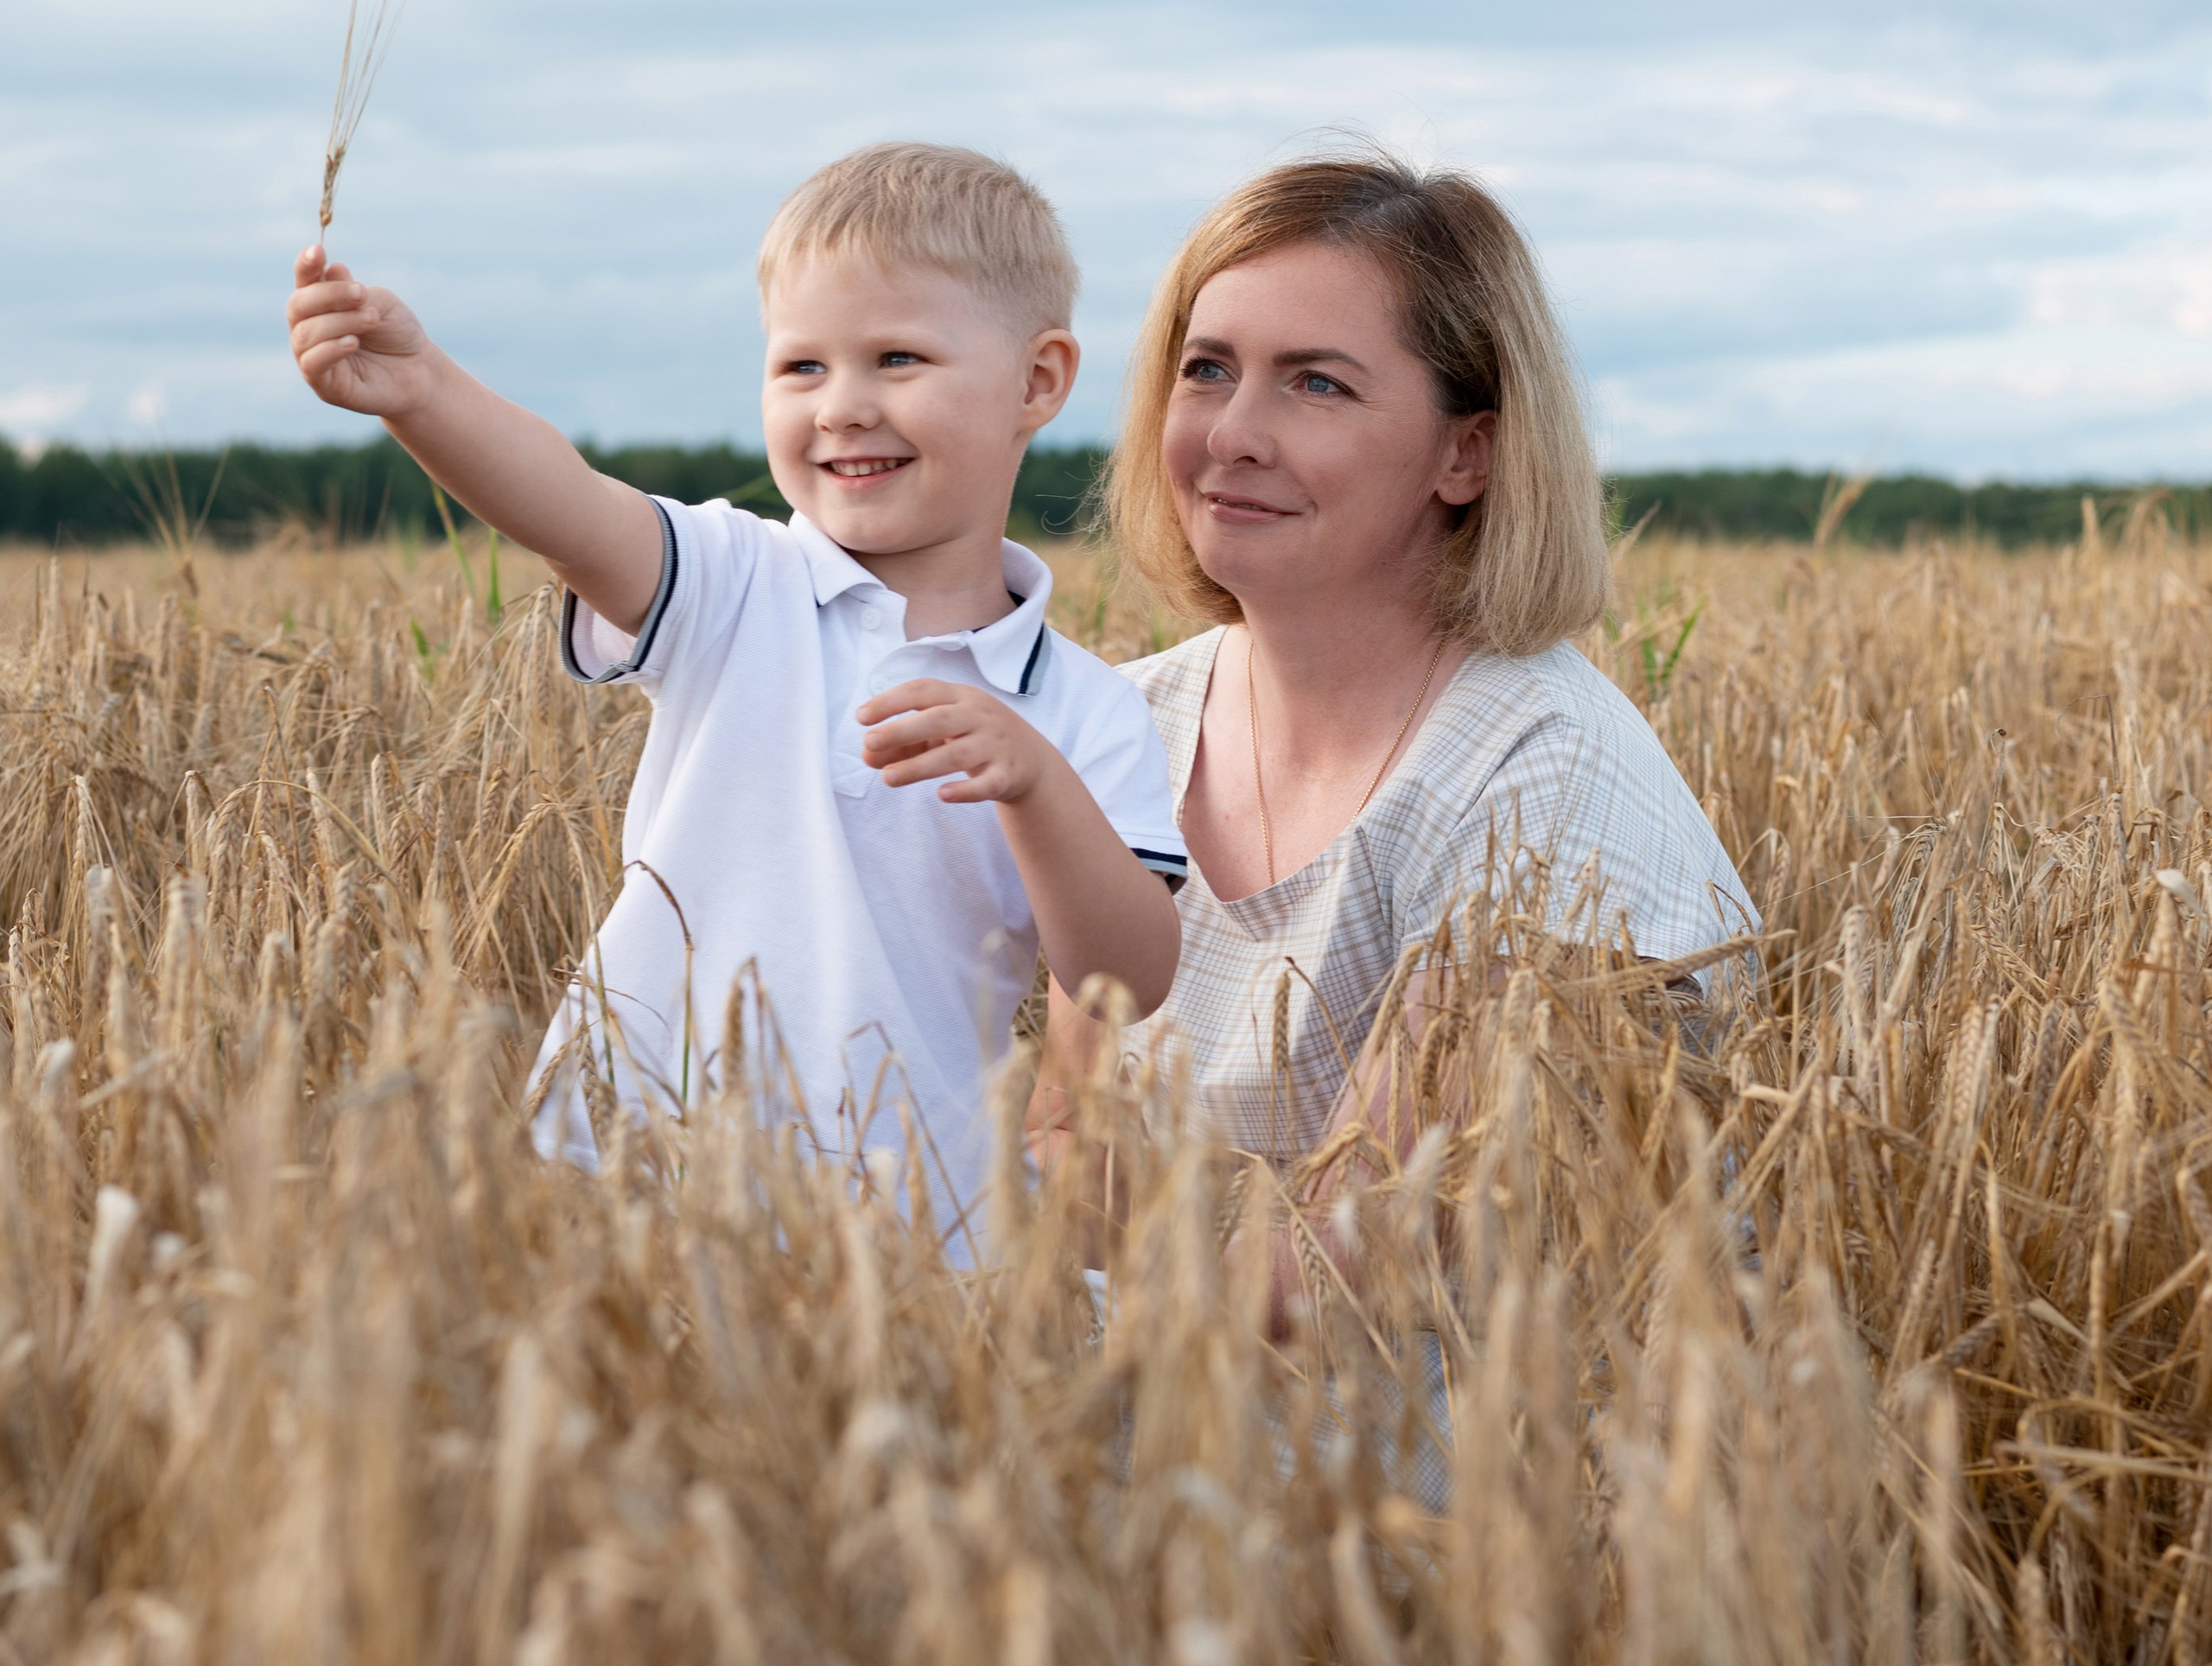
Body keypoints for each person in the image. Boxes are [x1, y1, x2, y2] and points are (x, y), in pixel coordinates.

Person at [286, 143, 1185, 1254]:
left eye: (896, 358)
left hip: (909, 1226)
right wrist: (421, 391)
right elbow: (564, 503)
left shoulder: (1086, 712)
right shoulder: (732, 581)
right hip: (627, 1176)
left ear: (1038, 382)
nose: (842, 407)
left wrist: (1037, 788)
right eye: (800, 367)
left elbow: (1125, 979)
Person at [1032, 149, 1753, 1203]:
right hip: (1161, 1351)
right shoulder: (1121, 720)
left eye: (1316, 383)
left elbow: (1352, 1257)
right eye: (1207, 369)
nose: (1232, 433)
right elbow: (1065, 1150)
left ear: (1466, 455)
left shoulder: (1540, 780)